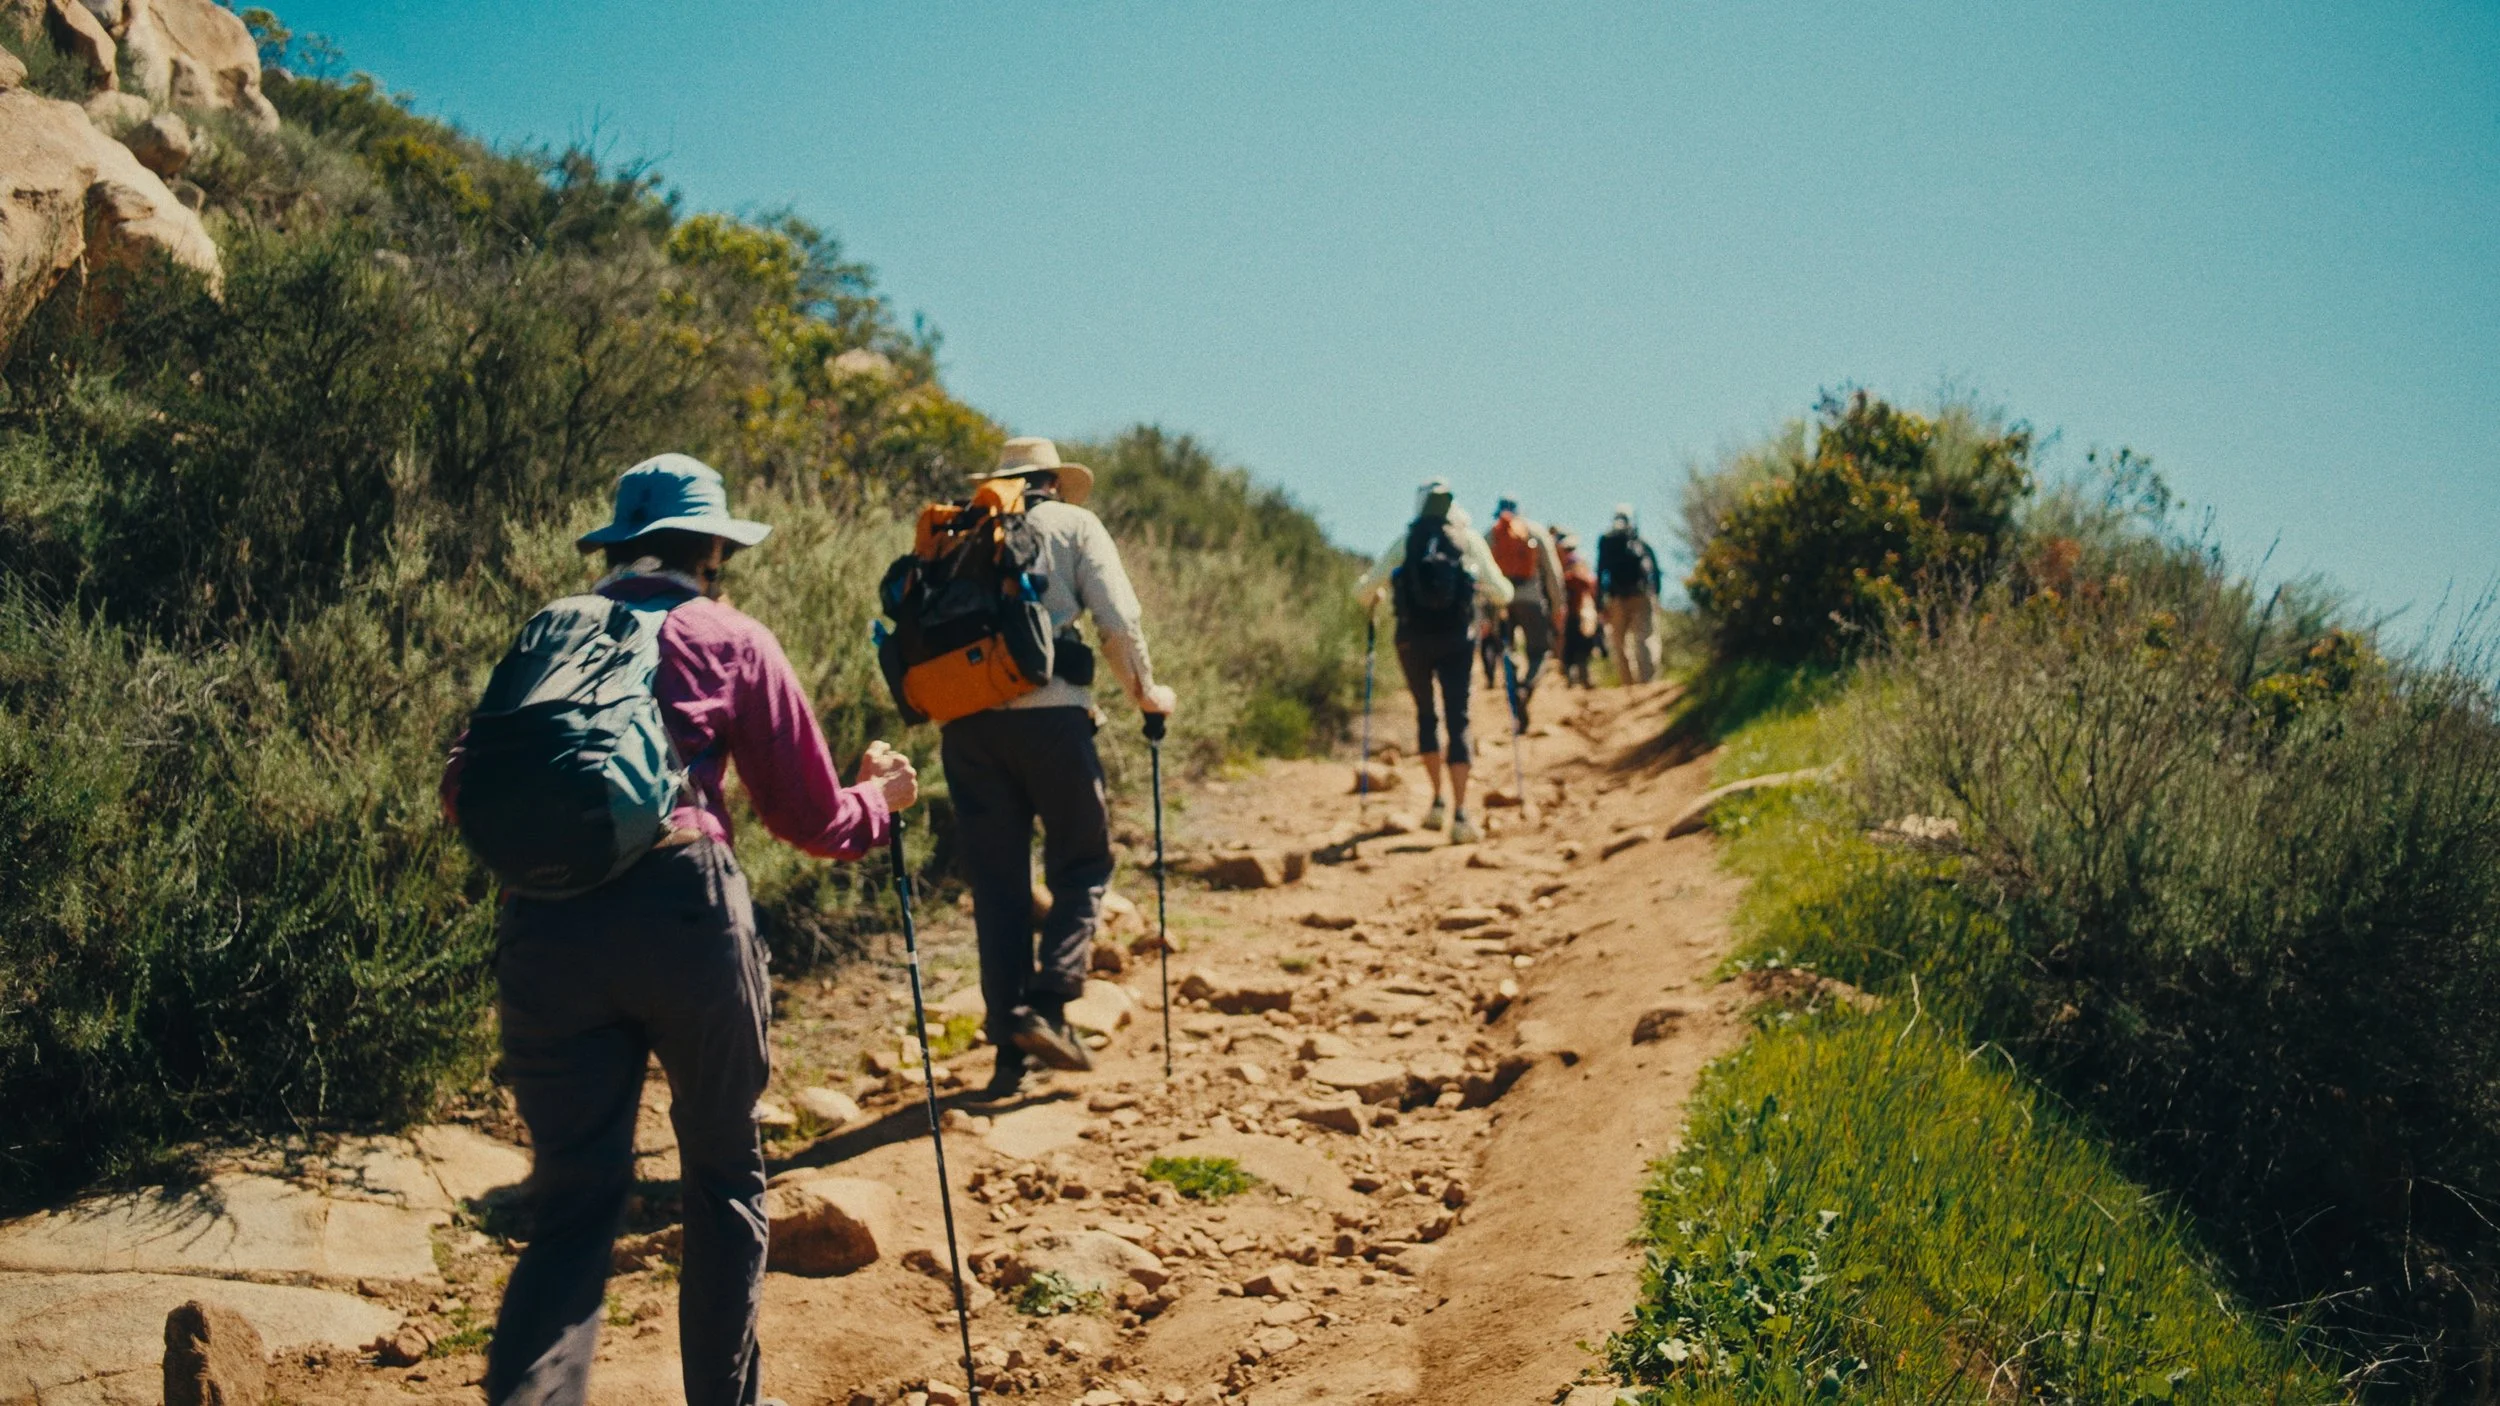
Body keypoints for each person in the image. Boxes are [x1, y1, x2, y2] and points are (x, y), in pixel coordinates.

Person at [446, 453, 919, 1406]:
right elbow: (809, 818)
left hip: (544, 925)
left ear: (619, 547)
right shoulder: (727, 636)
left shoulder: (549, 630)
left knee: (573, 1205)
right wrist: (881, 799)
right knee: (724, 1177)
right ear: (713, 550)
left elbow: (463, 788)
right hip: (684, 910)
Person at [945, 437, 1177, 1105]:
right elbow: (1118, 621)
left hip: (966, 728)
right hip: (1052, 722)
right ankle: (1048, 1004)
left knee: (999, 886)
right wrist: (1146, 696)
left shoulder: (963, 529)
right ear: (1052, 480)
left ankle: (1008, 1053)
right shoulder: (1075, 524)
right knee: (1083, 863)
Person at [1355, 480, 1514, 846]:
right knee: (1458, 718)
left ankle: (1437, 802)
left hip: (1412, 640)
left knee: (1426, 715)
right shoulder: (1467, 540)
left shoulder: (1406, 541)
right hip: (1457, 639)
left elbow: (1363, 591)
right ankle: (1461, 815)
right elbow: (1502, 592)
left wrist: (1378, 595)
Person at [1485, 497, 1566, 725]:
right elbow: (1553, 572)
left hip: (1501, 603)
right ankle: (1526, 687)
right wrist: (1558, 606)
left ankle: (1514, 687)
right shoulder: (1536, 532)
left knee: (1507, 651)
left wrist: (1485, 614)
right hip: (1532, 600)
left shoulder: (1490, 535)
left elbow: (1481, 575)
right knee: (1539, 652)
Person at [1596, 505, 1663, 684]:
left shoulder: (1607, 541)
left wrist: (1599, 602)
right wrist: (1656, 595)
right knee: (1645, 637)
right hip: (1642, 594)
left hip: (1617, 597)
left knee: (1618, 641)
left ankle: (1628, 682)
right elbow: (1655, 571)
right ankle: (1648, 682)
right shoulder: (1641, 541)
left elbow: (1601, 571)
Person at [1557, 530, 1605, 689]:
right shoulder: (1572, 570)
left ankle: (1581, 678)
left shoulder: (1573, 570)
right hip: (1574, 613)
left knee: (1580, 647)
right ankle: (1574, 679)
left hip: (1579, 613)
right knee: (1574, 647)